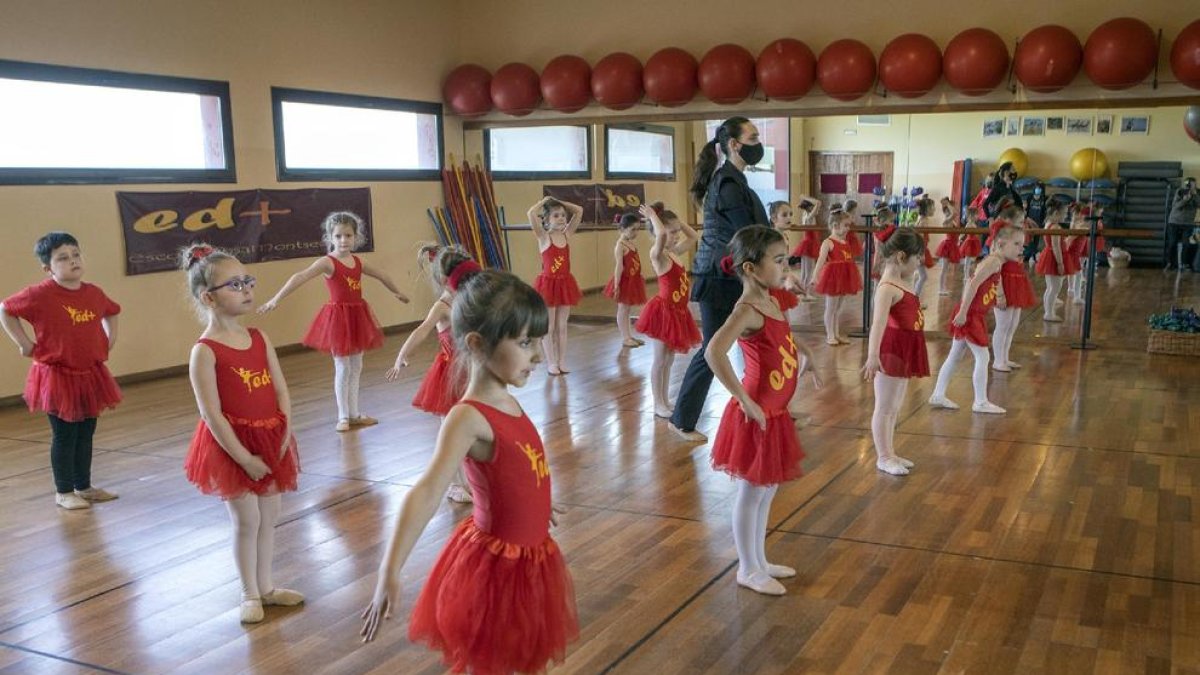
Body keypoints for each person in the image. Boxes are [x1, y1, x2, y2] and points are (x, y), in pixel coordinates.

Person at [360, 271, 578, 675]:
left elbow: (517, 463)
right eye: (526, 342)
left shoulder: (508, 399)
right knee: (492, 662)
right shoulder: (467, 416)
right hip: (497, 568)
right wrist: (389, 570)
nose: (536, 355)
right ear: (477, 344)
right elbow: (426, 492)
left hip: (532, 556)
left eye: (537, 342)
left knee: (528, 658)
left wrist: (535, 503)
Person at [181, 244, 303, 624]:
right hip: (232, 447)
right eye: (234, 285)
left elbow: (281, 388)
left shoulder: (260, 338)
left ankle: (266, 586)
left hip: (271, 439)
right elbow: (211, 413)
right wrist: (243, 458)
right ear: (208, 298)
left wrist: (285, 429)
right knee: (247, 520)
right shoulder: (204, 351)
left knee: (270, 516)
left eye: (247, 281)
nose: (247, 289)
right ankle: (248, 591)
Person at [707, 226, 817, 596]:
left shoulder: (772, 300)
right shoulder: (747, 309)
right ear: (751, 269)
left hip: (775, 413)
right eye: (780, 260)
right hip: (757, 414)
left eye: (787, 258)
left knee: (767, 491)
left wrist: (807, 353)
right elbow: (713, 352)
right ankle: (747, 568)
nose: (786, 266)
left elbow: (782, 334)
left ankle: (759, 559)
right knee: (752, 493)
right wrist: (745, 400)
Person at [0, 232, 121, 510]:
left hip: (90, 374)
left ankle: (84, 486)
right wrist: (24, 343)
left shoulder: (93, 293)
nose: (72, 261)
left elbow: (112, 311)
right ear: (48, 267)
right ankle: (64, 491)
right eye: (63, 258)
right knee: (65, 434)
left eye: (76, 255)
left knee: (86, 432)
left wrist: (110, 338)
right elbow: (6, 309)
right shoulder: (39, 295)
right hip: (56, 376)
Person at [258, 211, 409, 432]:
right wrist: (276, 298)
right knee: (342, 366)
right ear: (330, 238)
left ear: (356, 237)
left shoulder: (358, 261)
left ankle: (355, 413)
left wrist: (397, 292)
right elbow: (300, 276)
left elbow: (382, 274)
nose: (343, 240)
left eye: (348, 235)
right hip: (339, 320)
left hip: (358, 317)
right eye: (338, 236)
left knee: (356, 366)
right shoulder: (327, 262)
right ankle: (342, 416)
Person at [670, 117, 768, 443]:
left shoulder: (735, 180)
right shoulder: (726, 183)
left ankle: (767, 406)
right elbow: (746, 234)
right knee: (712, 349)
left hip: (733, 276)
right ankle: (682, 420)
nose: (759, 143)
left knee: (761, 340)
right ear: (736, 145)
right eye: (753, 137)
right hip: (718, 278)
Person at [387, 244, 481, 504]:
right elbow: (422, 330)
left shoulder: (468, 298)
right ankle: (454, 484)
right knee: (450, 434)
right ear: (445, 280)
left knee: (469, 432)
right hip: (449, 375)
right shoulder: (441, 306)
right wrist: (401, 356)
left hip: (470, 371)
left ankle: (471, 480)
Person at [928, 225, 1024, 415]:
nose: (1021, 248)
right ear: (1001, 244)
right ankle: (980, 401)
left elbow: (982, 285)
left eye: (1021, 244)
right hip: (971, 315)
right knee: (983, 356)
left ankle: (938, 394)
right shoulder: (993, 262)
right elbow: (972, 284)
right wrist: (963, 311)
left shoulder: (997, 262)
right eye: (1017, 244)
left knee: (955, 355)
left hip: (972, 313)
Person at [862, 229, 927, 476]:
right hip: (891, 351)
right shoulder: (886, 287)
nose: (920, 262)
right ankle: (883, 456)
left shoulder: (902, 281)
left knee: (895, 405)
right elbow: (877, 324)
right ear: (901, 256)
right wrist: (872, 356)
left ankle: (890, 451)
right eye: (917, 257)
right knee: (885, 406)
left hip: (905, 347)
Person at [635, 203, 701, 419]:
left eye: (676, 233)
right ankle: (657, 402)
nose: (675, 236)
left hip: (678, 312)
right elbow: (661, 233)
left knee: (669, 359)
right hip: (663, 312)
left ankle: (664, 399)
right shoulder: (658, 254)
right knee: (660, 359)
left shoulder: (674, 252)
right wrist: (654, 217)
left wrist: (678, 221)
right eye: (672, 233)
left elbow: (693, 237)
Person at [527, 196, 584, 375]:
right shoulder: (543, 237)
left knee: (562, 326)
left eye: (562, 215)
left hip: (565, 283)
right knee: (549, 327)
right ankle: (551, 362)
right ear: (547, 219)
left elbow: (579, 211)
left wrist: (562, 202)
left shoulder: (566, 235)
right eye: (556, 215)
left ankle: (561, 361)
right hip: (548, 285)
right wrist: (543, 202)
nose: (561, 218)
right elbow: (530, 214)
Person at [990, 205, 1037, 372]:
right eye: (1019, 221)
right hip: (1004, 284)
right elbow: (995, 269)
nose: (1021, 224)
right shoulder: (999, 241)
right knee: (1002, 325)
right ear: (1008, 221)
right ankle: (997, 360)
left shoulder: (1014, 238)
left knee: (1012, 324)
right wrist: (1000, 293)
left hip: (1016, 282)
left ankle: (1005, 357)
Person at [812, 206, 862, 345]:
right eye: (846, 225)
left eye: (848, 225)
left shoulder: (845, 242)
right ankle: (830, 335)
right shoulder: (828, 242)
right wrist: (815, 276)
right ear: (835, 225)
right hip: (833, 278)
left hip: (844, 277)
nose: (848, 229)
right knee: (831, 307)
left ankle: (836, 333)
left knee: (838, 309)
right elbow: (820, 261)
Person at [603, 212, 648, 348]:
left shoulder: (630, 243)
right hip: (624, 281)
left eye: (638, 229)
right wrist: (617, 284)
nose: (636, 232)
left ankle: (628, 335)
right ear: (622, 229)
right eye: (632, 229)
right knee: (623, 309)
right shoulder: (620, 245)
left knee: (627, 310)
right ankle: (625, 337)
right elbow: (619, 266)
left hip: (633, 279)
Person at [1035, 199, 1076, 322]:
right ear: (1056, 213)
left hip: (1049, 255)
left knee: (1051, 287)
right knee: (1055, 287)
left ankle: (1049, 310)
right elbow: (1056, 246)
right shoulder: (1056, 227)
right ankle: (1048, 313)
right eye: (1064, 213)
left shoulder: (1047, 223)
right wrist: (1060, 263)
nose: (1065, 216)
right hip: (1054, 256)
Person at [791, 195, 823, 292]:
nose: (816, 209)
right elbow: (818, 202)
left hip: (807, 243)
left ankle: (803, 291)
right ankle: (806, 293)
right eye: (813, 207)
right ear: (810, 208)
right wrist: (805, 198)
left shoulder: (805, 215)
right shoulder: (809, 217)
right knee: (809, 271)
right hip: (809, 245)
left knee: (805, 272)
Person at [1166, 177, 1197, 271]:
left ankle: (1185, 264)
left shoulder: (1197, 193)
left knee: (1186, 244)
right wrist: (1185, 199)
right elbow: (1176, 206)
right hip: (1174, 222)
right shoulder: (1180, 191)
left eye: (1193, 184)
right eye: (1189, 184)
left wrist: (1194, 195)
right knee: (1172, 243)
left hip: (1187, 223)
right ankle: (1171, 264)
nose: (1191, 186)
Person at [935, 198, 963, 296]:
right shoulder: (946, 221)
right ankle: (940, 289)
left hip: (952, 244)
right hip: (947, 246)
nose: (953, 209)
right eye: (950, 209)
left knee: (946, 269)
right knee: (944, 269)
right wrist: (947, 204)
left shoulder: (952, 222)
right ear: (947, 211)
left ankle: (943, 288)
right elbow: (955, 213)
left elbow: (956, 212)